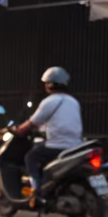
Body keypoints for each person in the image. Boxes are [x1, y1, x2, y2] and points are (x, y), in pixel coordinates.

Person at [16, 66, 83, 195]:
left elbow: (32, 122)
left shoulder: (49, 101)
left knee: (31, 156)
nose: (45, 85)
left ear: (51, 84)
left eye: (47, 83)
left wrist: (19, 130)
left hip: (58, 146)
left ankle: (36, 189)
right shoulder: (74, 102)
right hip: (76, 146)